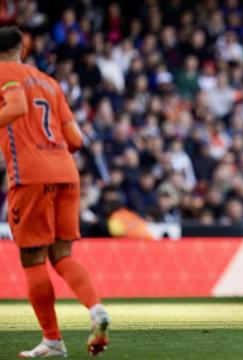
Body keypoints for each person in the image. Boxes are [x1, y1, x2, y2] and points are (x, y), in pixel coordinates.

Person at [0, 27, 110, 357]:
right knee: (62, 256)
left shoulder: (3, 71)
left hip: (31, 175)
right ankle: (96, 309)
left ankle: (52, 340)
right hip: (66, 172)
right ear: (22, 47)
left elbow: (17, 106)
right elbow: (76, 140)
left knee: (32, 259)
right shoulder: (49, 82)